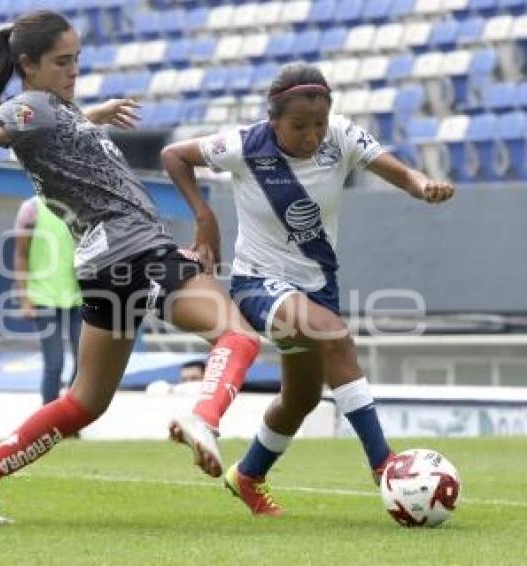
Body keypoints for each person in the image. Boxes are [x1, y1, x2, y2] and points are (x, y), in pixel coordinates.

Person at [0, 10, 263, 524]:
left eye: (77, 60)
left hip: (104, 264)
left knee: (85, 401)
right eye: (62, 62)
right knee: (239, 337)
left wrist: (93, 115)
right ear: (29, 64)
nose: (74, 71)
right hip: (134, 251)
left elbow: (58, 136)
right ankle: (204, 418)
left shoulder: (56, 110)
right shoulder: (29, 109)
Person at [161, 62, 455, 516]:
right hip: (258, 284)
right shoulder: (243, 144)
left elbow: (394, 169)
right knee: (335, 336)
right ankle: (384, 465)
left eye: (318, 124)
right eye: (299, 126)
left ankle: (248, 475)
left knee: (300, 400)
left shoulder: (341, 136)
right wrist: (205, 216)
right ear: (273, 118)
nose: (312, 136)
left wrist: (422, 185)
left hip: (318, 286)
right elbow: (174, 155)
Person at [14, 196, 82, 404]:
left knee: (84, 364)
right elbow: (21, 255)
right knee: (55, 363)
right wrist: (24, 298)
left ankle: (70, 419)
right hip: (43, 297)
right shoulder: (31, 210)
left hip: (78, 298)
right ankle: (49, 421)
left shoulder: (79, 207)